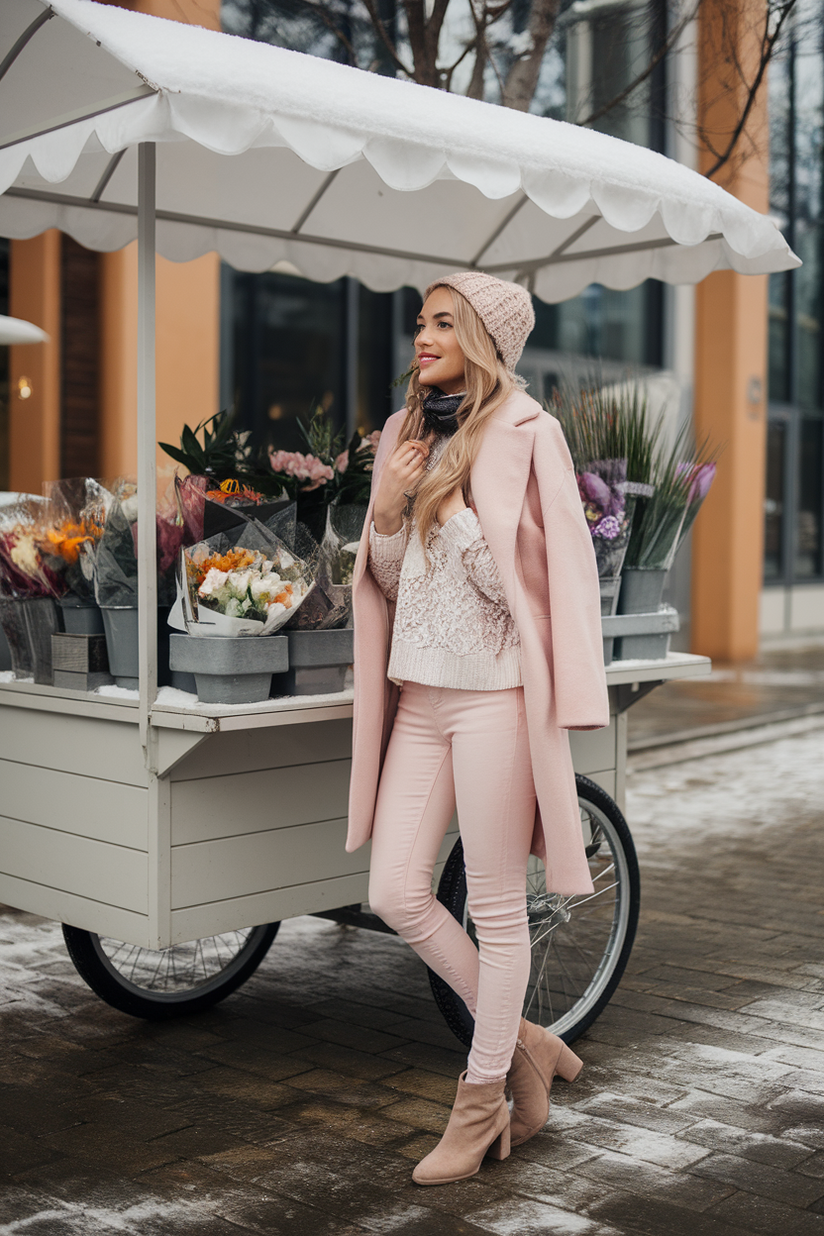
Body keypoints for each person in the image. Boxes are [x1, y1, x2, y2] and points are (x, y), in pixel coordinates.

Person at [346, 271, 609, 1186]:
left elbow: (536, 596)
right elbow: (389, 579)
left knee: (497, 912)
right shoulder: (405, 433)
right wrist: (385, 515)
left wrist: (453, 519)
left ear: (487, 340)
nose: (422, 336)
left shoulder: (531, 434)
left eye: (444, 323)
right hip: (419, 697)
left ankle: (482, 1099)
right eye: (421, 321)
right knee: (393, 892)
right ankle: (528, 1042)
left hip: (497, 696)